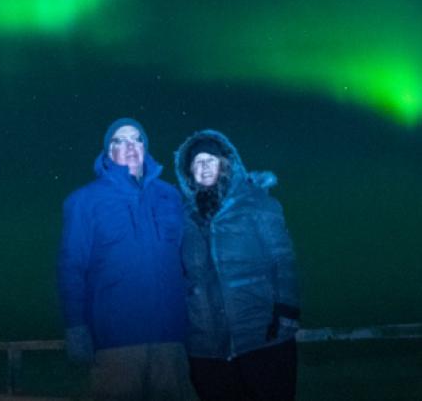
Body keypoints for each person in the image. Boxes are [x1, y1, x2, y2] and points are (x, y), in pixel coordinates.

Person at [58, 117, 194, 400]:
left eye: (136, 139)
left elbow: (189, 262)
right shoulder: (84, 201)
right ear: (109, 151)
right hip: (115, 342)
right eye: (119, 140)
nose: (130, 146)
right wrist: (76, 327)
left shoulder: (170, 196)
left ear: (146, 146)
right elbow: (71, 268)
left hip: (171, 339)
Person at [174, 130, 301, 401]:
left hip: (261, 338)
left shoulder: (258, 204)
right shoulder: (181, 218)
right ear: (188, 171)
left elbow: (283, 260)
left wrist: (287, 311)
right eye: (197, 162)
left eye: (210, 159)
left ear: (225, 164)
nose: (204, 166)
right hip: (207, 347)